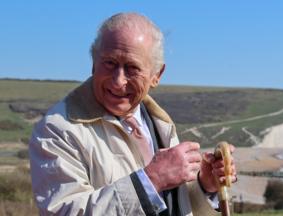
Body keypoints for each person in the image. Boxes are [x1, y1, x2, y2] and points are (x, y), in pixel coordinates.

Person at [29, 12, 237, 215]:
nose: (118, 81)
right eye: (109, 63)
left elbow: (170, 203)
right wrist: (152, 179)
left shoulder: (159, 122)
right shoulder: (58, 130)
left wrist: (204, 186)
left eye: (132, 68)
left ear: (156, 75)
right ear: (94, 63)